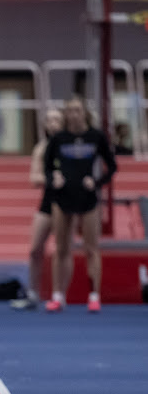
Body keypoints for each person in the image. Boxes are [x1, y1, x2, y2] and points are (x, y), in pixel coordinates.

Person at [44, 95, 118, 313]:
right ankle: (58, 295)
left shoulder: (96, 137)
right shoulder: (59, 139)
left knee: (91, 248)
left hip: (87, 198)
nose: (73, 114)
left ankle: (94, 295)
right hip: (63, 197)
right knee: (61, 248)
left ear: (84, 113)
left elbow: (112, 166)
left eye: (77, 110)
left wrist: (96, 182)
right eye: (69, 111)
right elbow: (46, 168)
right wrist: (53, 179)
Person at [11, 107, 67, 310]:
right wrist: (52, 178)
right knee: (35, 248)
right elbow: (34, 178)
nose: (52, 124)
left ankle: (59, 294)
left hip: (69, 202)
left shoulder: (70, 145)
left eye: (56, 120)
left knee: (63, 250)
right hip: (47, 202)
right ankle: (33, 293)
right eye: (49, 120)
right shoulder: (42, 148)